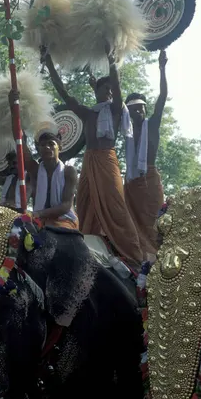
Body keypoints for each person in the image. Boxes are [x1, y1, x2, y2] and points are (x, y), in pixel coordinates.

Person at [42, 45, 142, 266]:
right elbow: (64, 93)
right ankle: (87, 247)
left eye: (111, 90)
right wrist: (49, 62)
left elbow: (117, 85)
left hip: (107, 160)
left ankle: (135, 256)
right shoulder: (87, 113)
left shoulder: (116, 109)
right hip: (89, 161)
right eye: (104, 89)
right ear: (95, 90)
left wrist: (111, 59)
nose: (108, 92)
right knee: (85, 203)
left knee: (116, 205)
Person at [124, 50, 168, 260]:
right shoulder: (127, 132)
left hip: (150, 181)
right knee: (131, 225)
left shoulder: (153, 125)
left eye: (141, 108)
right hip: (132, 184)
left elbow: (163, 97)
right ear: (129, 113)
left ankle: (160, 263)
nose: (138, 112)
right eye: (133, 109)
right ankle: (137, 265)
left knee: (156, 225)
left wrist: (162, 68)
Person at [32, 127, 78, 229]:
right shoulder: (35, 171)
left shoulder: (69, 171)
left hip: (65, 220)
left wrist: (39, 213)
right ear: (38, 150)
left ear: (60, 147)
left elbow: (66, 205)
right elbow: (23, 153)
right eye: (43, 145)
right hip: (39, 220)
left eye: (51, 144)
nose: (47, 147)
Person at [0, 143, 32, 211]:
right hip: (2, 211)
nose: (11, 166)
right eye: (9, 163)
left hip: (18, 213)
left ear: (23, 162)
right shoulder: (8, 179)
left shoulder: (29, 177)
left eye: (14, 163)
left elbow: (30, 160)